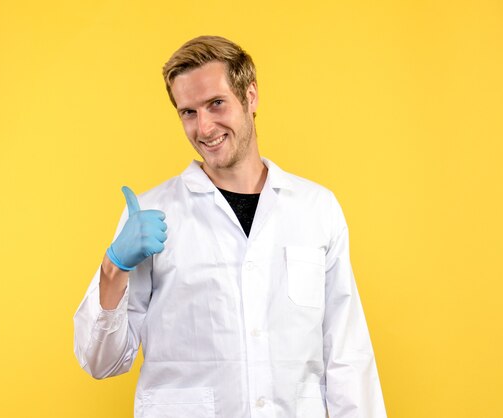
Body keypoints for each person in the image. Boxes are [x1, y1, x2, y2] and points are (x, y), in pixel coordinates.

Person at [74, 35, 386, 417]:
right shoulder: (152, 214)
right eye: (188, 112)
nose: (204, 128)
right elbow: (101, 361)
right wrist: (113, 266)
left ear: (251, 97)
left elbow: (347, 354)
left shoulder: (315, 208)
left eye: (215, 104)